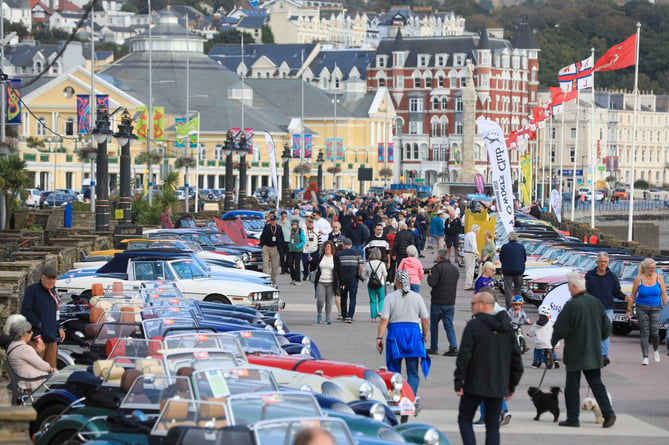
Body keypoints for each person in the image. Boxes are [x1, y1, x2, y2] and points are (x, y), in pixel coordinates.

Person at [454, 291, 523, 445]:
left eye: (473, 304)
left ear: (483, 304)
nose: (471, 307)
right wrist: (511, 386)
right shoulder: (507, 328)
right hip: (498, 384)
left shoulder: (474, 325)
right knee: (492, 426)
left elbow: (464, 355)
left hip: (474, 383)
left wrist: (459, 381)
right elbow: (516, 359)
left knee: (464, 419)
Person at [551, 272, 616, 428]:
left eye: (568, 286)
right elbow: (607, 328)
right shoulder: (596, 303)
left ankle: (573, 418)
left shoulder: (571, 305)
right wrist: (597, 339)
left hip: (575, 352)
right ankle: (608, 414)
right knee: (597, 384)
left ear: (574, 287)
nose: (568, 289)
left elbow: (560, 329)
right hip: (594, 352)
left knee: (572, 386)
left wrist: (552, 344)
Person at [376, 271, 430, 396]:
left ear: (396, 281)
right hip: (413, 334)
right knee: (413, 372)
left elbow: (384, 319)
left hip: (395, 334)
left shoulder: (390, 297)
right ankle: (410, 397)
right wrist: (425, 335)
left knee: (394, 371)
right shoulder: (417, 297)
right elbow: (425, 320)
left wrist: (379, 337)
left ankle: (396, 396)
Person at [585, 252, 626, 366]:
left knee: (605, 333)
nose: (603, 264)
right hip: (593, 308)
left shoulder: (612, 277)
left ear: (608, 263)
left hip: (607, 308)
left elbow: (616, 292)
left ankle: (603, 355)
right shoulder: (590, 275)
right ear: (597, 262)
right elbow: (586, 291)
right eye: (601, 262)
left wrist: (625, 297)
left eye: (605, 262)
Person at [21, 265, 65, 368]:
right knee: (35, 369)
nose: (51, 281)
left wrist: (59, 327)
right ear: (42, 277)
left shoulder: (53, 291)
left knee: (51, 368)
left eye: (54, 278)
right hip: (36, 338)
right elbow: (26, 311)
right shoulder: (32, 290)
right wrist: (39, 324)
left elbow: (56, 312)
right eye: (49, 278)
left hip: (51, 338)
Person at [627, 258, 668, 365]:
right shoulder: (638, 279)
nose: (652, 270)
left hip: (656, 308)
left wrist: (667, 308)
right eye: (650, 268)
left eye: (654, 268)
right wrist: (629, 310)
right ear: (645, 268)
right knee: (644, 333)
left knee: (654, 332)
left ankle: (655, 350)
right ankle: (645, 357)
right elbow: (632, 295)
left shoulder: (659, 278)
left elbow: (664, 294)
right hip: (642, 308)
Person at [4, 317, 55, 390]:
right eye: (29, 331)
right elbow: (44, 366)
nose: (32, 333)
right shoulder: (24, 349)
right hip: (31, 383)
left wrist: (37, 351)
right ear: (22, 334)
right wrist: (52, 369)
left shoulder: (12, 345)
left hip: (23, 380)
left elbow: (31, 361)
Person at [427, 249, 459, 357]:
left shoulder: (438, 268)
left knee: (434, 325)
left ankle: (434, 347)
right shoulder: (454, 269)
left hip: (437, 301)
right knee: (449, 324)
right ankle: (453, 346)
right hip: (450, 301)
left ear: (440, 258)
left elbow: (433, 283)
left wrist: (429, 276)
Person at [334, 238, 363, 323]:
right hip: (354, 279)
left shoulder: (339, 254)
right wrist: (359, 274)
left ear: (343, 245)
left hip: (343, 280)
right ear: (351, 245)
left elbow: (336, 268)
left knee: (343, 297)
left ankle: (344, 315)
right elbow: (360, 267)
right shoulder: (357, 254)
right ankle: (350, 316)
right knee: (353, 298)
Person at [499, 231, 526, 309]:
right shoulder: (521, 247)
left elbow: (501, 258)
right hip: (519, 271)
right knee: (518, 288)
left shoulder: (505, 247)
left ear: (509, 238)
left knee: (508, 289)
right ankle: (518, 305)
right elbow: (524, 259)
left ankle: (509, 307)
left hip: (507, 271)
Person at [313, 241, 337, 324]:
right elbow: (315, 266)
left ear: (331, 248)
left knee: (329, 301)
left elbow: (339, 271)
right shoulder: (321, 257)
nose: (327, 248)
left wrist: (342, 283)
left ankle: (328, 318)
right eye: (326, 247)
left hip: (331, 282)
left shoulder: (335, 258)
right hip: (321, 282)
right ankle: (319, 313)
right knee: (320, 299)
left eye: (329, 247)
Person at [361, 247, 387, 322]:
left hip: (370, 284)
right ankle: (380, 311)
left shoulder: (368, 264)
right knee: (381, 298)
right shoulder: (381, 264)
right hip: (380, 284)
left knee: (372, 300)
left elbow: (364, 274)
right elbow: (385, 274)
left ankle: (373, 317)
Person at [259, 214, 283, 284]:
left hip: (274, 247)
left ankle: (273, 278)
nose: (273, 222)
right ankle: (266, 277)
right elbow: (262, 235)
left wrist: (281, 248)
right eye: (272, 220)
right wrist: (262, 244)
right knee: (265, 262)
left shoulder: (279, 228)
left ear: (276, 221)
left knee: (275, 264)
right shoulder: (267, 227)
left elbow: (281, 238)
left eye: (274, 220)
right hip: (266, 246)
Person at [302, 218, 321, 282]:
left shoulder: (316, 230)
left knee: (313, 264)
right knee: (305, 262)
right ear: (306, 223)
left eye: (311, 223)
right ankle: (305, 274)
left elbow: (319, 239)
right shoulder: (303, 231)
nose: (310, 224)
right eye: (309, 223)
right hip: (305, 250)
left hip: (314, 249)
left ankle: (312, 276)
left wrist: (320, 248)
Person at [287, 219, 305, 286]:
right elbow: (291, 239)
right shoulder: (292, 231)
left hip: (298, 250)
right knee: (290, 264)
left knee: (297, 265)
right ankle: (293, 278)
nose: (293, 226)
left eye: (294, 224)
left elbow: (303, 241)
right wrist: (289, 245)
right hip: (291, 250)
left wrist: (298, 246)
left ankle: (298, 279)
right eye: (292, 225)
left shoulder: (300, 231)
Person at [462, 224, 480, 291]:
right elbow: (473, 245)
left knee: (467, 270)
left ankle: (468, 284)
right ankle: (468, 285)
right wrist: (478, 253)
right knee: (470, 270)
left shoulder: (468, 234)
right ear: (476, 230)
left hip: (466, 253)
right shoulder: (473, 235)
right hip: (470, 254)